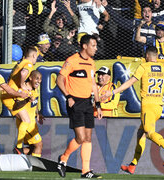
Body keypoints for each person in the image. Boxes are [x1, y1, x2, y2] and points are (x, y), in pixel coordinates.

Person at [102, 46, 164, 174]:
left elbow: (129, 83)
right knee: (141, 133)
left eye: (145, 55)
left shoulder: (143, 67)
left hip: (148, 106)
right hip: (158, 107)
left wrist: (113, 92)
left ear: (148, 56)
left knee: (149, 132)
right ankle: (133, 164)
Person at [56, 34, 102, 178]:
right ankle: (63, 158)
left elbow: (93, 84)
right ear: (84, 46)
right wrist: (68, 96)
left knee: (88, 138)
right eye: (93, 45)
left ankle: (85, 171)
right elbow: (59, 79)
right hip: (75, 101)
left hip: (88, 102)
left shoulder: (92, 63)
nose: (96, 48)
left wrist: (98, 104)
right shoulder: (72, 61)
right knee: (80, 138)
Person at [13, 70, 44, 157]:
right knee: (39, 144)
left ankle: (16, 156)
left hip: (33, 124)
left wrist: (38, 113)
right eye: (37, 78)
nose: (39, 81)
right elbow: (16, 107)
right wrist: (27, 100)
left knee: (32, 147)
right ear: (30, 78)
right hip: (27, 125)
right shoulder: (23, 89)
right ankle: (34, 168)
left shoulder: (35, 90)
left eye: (40, 79)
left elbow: (34, 104)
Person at [1, 46, 38, 117]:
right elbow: (23, 73)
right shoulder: (28, 64)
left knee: (24, 119)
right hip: (12, 95)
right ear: (34, 55)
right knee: (26, 120)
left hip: (9, 93)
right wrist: (22, 85)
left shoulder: (20, 63)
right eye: (36, 57)